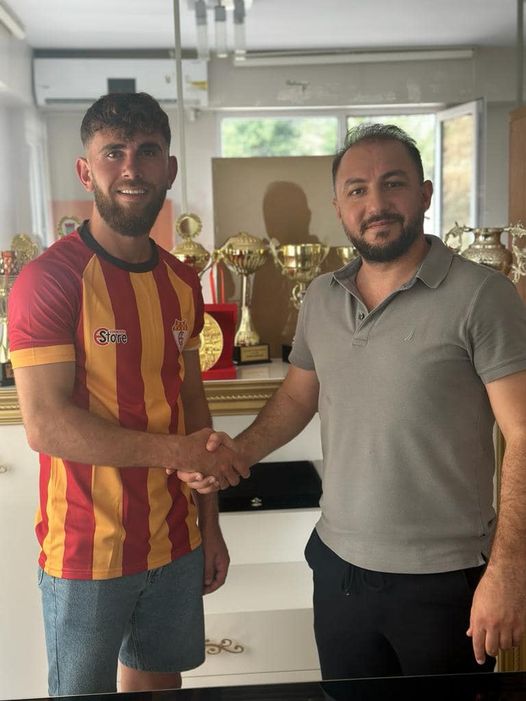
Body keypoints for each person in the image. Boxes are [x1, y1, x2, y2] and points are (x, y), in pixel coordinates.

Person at [182, 123, 526, 678]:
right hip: (337, 569)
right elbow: (298, 397)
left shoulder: (483, 296)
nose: (376, 204)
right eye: (357, 190)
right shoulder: (322, 296)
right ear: (338, 207)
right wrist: (236, 453)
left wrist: (510, 570)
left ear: (425, 195)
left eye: (394, 184)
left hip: (444, 580)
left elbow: (524, 433)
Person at [7, 92, 248, 696]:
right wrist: (177, 454)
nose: (131, 168)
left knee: (159, 685)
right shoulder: (49, 280)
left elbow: (193, 409)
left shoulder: (182, 280)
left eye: (148, 151)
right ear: (85, 170)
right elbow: (46, 425)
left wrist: (210, 526)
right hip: (86, 550)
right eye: (113, 153)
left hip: (175, 540)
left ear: (170, 168)